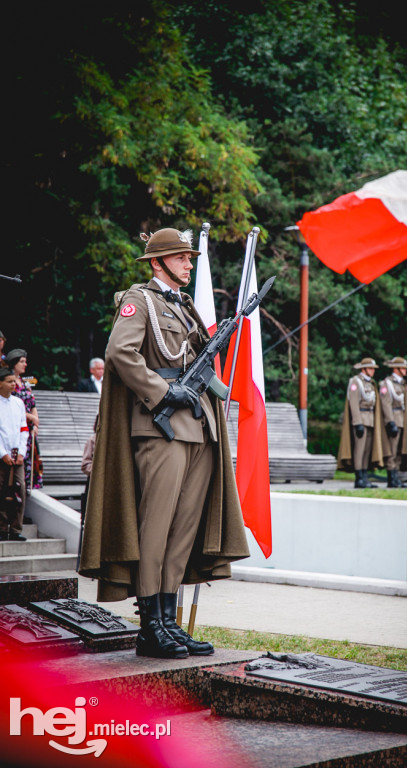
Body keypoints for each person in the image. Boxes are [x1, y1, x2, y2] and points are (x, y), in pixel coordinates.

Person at [79, 227, 249, 660]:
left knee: (182, 530)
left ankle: (169, 622)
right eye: (180, 258)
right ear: (158, 263)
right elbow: (121, 353)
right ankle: (149, 626)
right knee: (154, 529)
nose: (189, 264)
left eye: (190, 259)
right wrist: (163, 392)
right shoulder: (141, 302)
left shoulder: (185, 306)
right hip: (160, 429)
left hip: (198, 428)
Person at [337, 357, 386, 488]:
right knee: (359, 450)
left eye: (373, 369)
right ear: (363, 369)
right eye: (370, 368)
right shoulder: (355, 382)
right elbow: (353, 403)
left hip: (370, 419)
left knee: (366, 450)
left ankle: (364, 476)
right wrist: (357, 422)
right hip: (361, 419)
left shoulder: (370, 383)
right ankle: (358, 477)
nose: (373, 371)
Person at [5, 348, 43, 490]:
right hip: (16, 426)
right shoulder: (8, 383)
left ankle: (28, 487)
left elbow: (32, 404)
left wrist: (36, 422)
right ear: (14, 363)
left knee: (31, 459)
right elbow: (11, 407)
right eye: (22, 361)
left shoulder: (25, 383)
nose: (25, 364)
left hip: (29, 428)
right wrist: (31, 417)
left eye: (25, 361)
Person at [0, 367, 29, 541]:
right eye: (10, 381)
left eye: (14, 381)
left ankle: (16, 528)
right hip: (2, 456)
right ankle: (2, 528)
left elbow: (23, 429)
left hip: (17, 455)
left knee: (20, 489)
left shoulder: (18, 403)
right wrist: (2, 453)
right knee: (2, 490)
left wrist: (22, 452)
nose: (14, 384)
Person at [379, 356, 407, 488]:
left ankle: (397, 477)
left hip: (403, 420)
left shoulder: (402, 384)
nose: (405, 371)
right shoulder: (386, 384)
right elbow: (386, 404)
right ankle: (391, 478)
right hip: (394, 419)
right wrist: (390, 422)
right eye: (403, 368)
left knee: (400, 450)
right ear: (396, 369)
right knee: (392, 451)